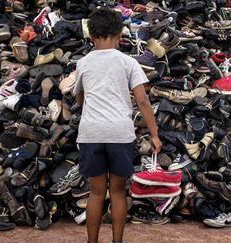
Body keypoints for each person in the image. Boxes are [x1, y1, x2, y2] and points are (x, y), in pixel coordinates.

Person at [72, 8, 161, 243]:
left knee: (96, 193)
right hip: (120, 133)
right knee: (119, 192)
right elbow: (142, 100)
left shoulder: (83, 63)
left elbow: (79, 98)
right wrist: (154, 135)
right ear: (120, 34)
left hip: (91, 134)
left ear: (90, 36)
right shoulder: (128, 62)